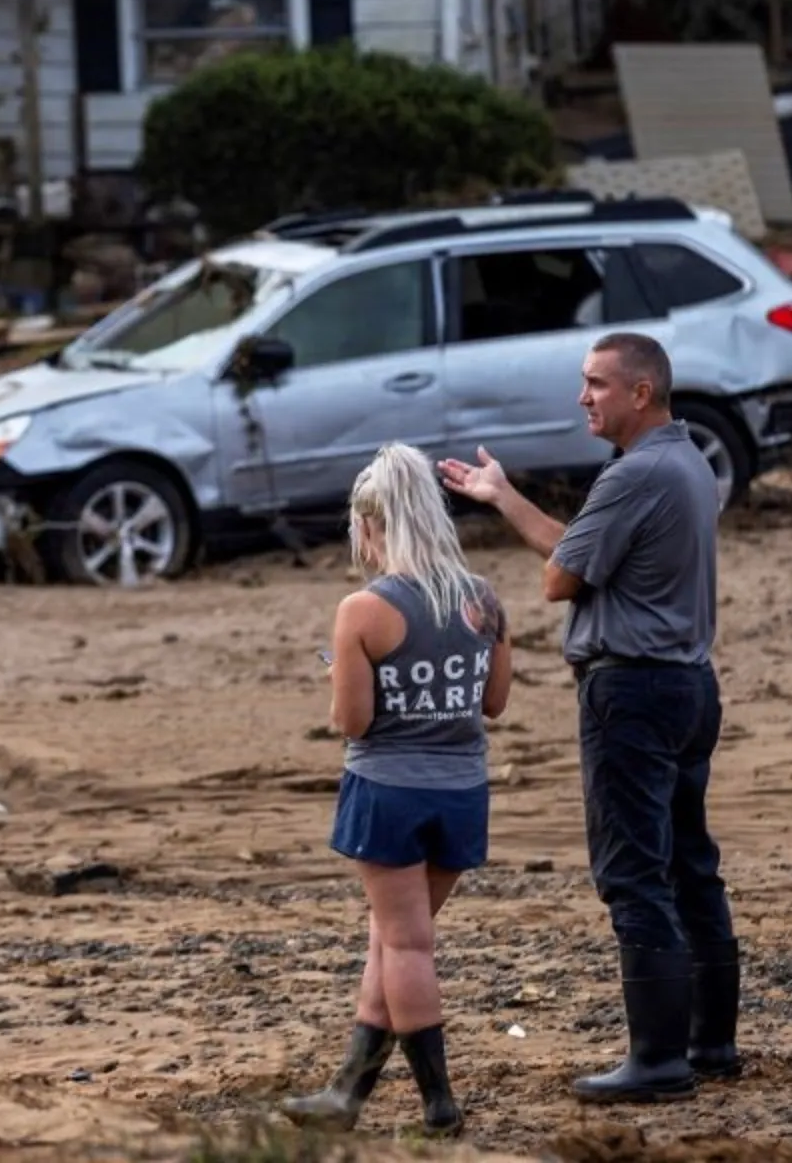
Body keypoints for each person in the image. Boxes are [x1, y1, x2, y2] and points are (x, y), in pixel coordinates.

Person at [437, 331, 736, 1104]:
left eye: (597, 383)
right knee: (688, 864)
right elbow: (577, 556)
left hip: (632, 693)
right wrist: (502, 495)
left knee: (634, 870)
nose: (583, 396)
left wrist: (508, 506)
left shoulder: (636, 475)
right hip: (688, 685)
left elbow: (559, 579)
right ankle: (710, 1043)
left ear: (642, 392)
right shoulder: (687, 462)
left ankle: (660, 1060)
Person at [281, 442, 513, 1137]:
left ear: (374, 524)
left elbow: (351, 721)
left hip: (389, 790)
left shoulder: (364, 610)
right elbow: (494, 702)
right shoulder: (483, 599)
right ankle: (345, 1095)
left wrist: (341, 676)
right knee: (394, 940)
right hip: (462, 790)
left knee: (405, 946)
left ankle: (438, 1103)